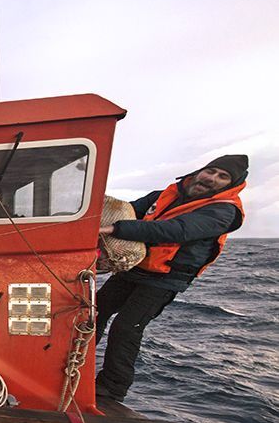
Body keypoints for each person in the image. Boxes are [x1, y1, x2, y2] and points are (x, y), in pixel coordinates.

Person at [95, 154, 247, 401]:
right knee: (93, 312)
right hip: (134, 266)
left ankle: (112, 388)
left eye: (223, 177)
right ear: (201, 170)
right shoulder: (164, 195)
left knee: (126, 327)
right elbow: (131, 209)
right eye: (211, 171)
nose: (212, 179)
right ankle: (73, 364)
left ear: (231, 184)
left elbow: (176, 230)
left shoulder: (224, 212)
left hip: (165, 278)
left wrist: (115, 228)